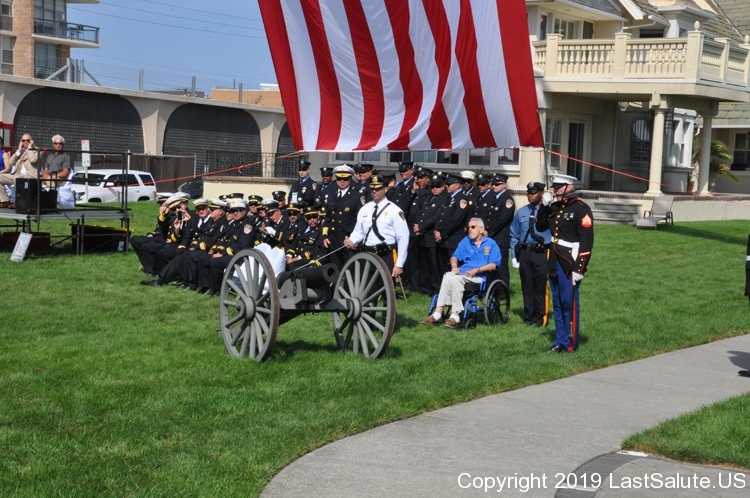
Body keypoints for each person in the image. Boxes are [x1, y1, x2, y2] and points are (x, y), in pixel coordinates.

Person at [536, 174, 594, 353]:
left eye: (559, 187)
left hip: (569, 261)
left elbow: (587, 241)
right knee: (557, 302)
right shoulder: (554, 207)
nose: (556, 190)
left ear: (569, 187)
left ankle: (570, 343)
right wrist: (544, 206)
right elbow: (540, 226)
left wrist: (579, 268)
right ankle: (559, 340)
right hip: (554, 258)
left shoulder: (581, 209)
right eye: (554, 187)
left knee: (568, 302)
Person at [420, 218, 501, 328]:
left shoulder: (491, 243)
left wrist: (476, 270)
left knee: (455, 279)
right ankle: (437, 313)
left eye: (473, 227)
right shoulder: (465, 241)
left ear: (482, 230)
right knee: (447, 275)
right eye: (468, 227)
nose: (470, 229)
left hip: (480, 276)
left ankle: (455, 316)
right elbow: (455, 256)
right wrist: (454, 266)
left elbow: (493, 265)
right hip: (464, 273)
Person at [344, 175, 409, 277]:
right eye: (372, 188)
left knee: (385, 286)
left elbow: (403, 238)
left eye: (378, 188)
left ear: (385, 189)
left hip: (386, 255)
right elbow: (359, 231)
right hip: (367, 255)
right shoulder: (364, 209)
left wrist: (399, 264)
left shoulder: (395, 210)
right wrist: (351, 240)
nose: (374, 191)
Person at [510, 182, 551, 328]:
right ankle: (528, 316)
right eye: (528, 193)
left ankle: (540, 317)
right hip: (525, 253)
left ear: (541, 194)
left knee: (540, 286)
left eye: (533, 193)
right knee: (527, 285)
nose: (530, 195)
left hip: (541, 252)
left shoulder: (548, 211)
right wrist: (513, 256)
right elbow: (514, 234)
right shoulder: (522, 212)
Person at [322, 165, 362, 268]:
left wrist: (356, 239)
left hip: (347, 239)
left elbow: (361, 220)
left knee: (349, 269)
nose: (342, 181)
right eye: (339, 178)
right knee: (336, 269)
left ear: (350, 179)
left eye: (345, 178)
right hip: (333, 239)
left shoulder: (356, 196)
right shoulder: (332, 194)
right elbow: (328, 217)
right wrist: (325, 236)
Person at [486, 173, 515, 289]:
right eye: (493, 184)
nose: (494, 186)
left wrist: (489, 231)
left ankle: (503, 291)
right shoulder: (494, 198)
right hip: (492, 237)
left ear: (504, 185)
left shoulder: (507, 200)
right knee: (491, 265)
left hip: (500, 239)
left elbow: (502, 219)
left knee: (501, 267)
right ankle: (493, 289)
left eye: (497, 184)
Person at [0, 133, 39, 208]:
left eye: (27, 140)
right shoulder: (22, 152)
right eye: (23, 141)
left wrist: (30, 148)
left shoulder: (37, 151)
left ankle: (19, 201)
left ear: (31, 141)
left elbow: (33, 160)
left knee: (17, 178)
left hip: (30, 176)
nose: (25, 142)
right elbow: (10, 162)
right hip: (17, 175)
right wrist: (18, 151)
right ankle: (5, 201)